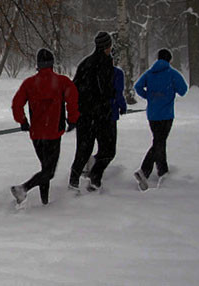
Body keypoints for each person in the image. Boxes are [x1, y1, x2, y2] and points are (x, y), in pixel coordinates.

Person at [10, 49, 79, 207]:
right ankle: (23, 188)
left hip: (36, 134)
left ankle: (44, 201)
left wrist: (22, 121)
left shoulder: (29, 83)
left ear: (38, 64)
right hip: (54, 133)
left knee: (45, 168)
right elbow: (73, 100)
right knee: (49, 171)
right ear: (52, 63)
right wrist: (72, 119)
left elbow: (17, 104)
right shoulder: (62, 81)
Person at [68, 31, 117, 193]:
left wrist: (77, 111)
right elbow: (106, 90)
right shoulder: (105, 64)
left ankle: (74, 182)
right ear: (106, 47)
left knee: (83, 150)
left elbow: (74, 88)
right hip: (101, 115)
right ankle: (94, 178)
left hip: (85, 115)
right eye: (109, 45)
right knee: (108, 149)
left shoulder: (85, 63)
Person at [132, 49, 188, 191]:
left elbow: (137, 86)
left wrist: (149, 96)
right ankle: (144, 171)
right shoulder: (172, 73)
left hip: (152, 114)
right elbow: (183, 90)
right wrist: (169, 92)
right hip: (166, 114)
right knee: (159, 141)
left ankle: (163, 171)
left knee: (158, 141)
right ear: (169, 60)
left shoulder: (150, 73)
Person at [82, 55, 128, 178]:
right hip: (110, 115)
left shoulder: (93, 74)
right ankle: (95, 176)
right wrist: (122, 107)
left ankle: (93, 163)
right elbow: (118, 93)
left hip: (95, 115)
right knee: (110, 151)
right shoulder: (117, 73)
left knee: (103, 147)